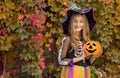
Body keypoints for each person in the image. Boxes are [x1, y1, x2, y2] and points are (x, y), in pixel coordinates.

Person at [58, 1, 102, 78]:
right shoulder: (68, 39)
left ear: (85, 24)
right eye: (75, 21)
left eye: (81, 22)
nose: (78, 24)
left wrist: (94, 56)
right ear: (71, 23)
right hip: (71, 73)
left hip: (84, 73)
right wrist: (81, 57)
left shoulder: (85, 41)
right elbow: (61, 61)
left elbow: (87, 63)